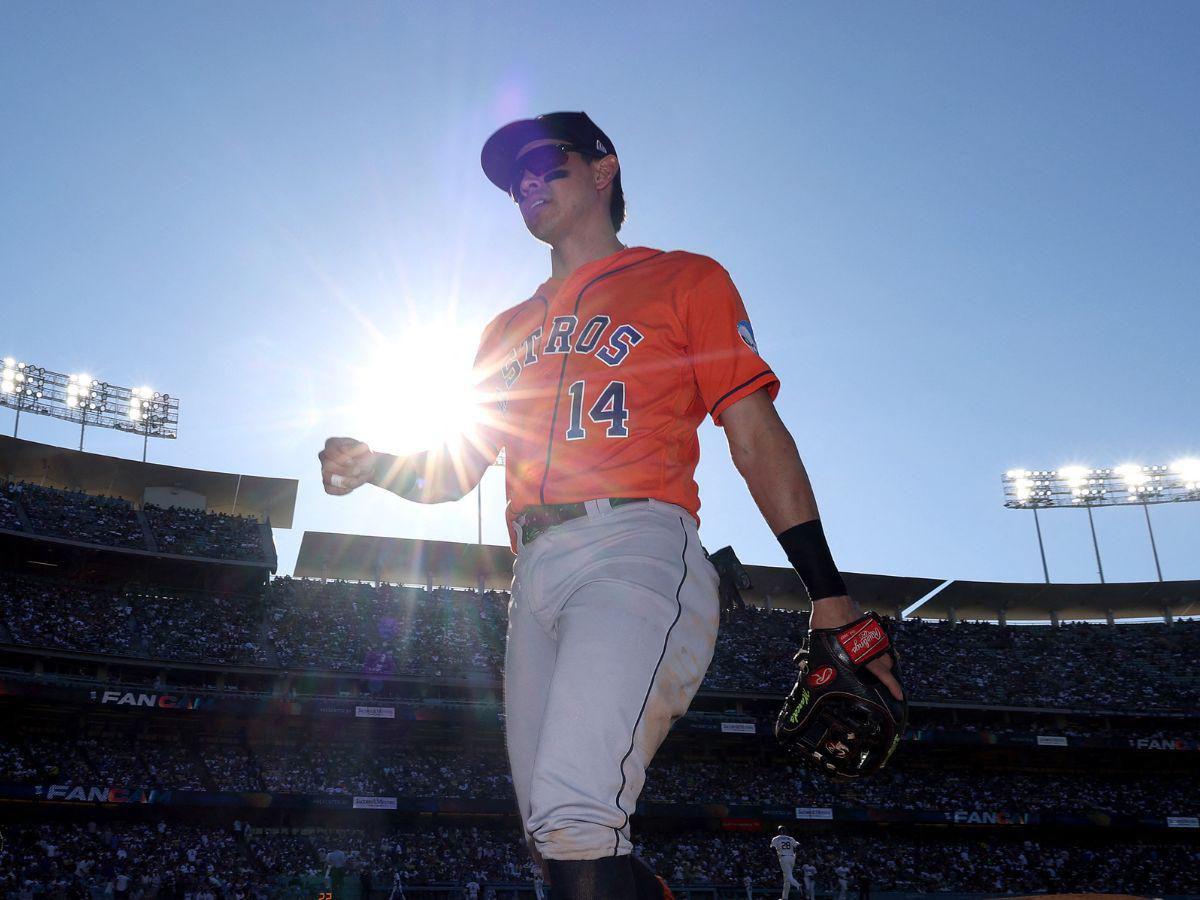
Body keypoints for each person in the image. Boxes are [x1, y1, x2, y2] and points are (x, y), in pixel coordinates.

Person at [319, 110, 901, 900]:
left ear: (602, 170)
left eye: (545, 164)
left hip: (634, 545)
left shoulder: (685, 277)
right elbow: (456, 475)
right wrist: (376, 465)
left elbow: (753, 431)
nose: (526, 182)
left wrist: (827, 592)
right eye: (513, 178)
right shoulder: (503, 329)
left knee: (573, 814)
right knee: (552, 842)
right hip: (534, 575)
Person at [770, 827, 802, 899]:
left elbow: (772, 848)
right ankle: (785, 897)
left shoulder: (776, 838)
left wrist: (778, 853)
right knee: (786, 879)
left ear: (779, 831)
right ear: (786, 831)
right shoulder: (790, 838)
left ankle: (798, 885)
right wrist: (795, 852)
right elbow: (799, 845)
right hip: (792, 857)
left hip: (783, 857)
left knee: (789, 876)